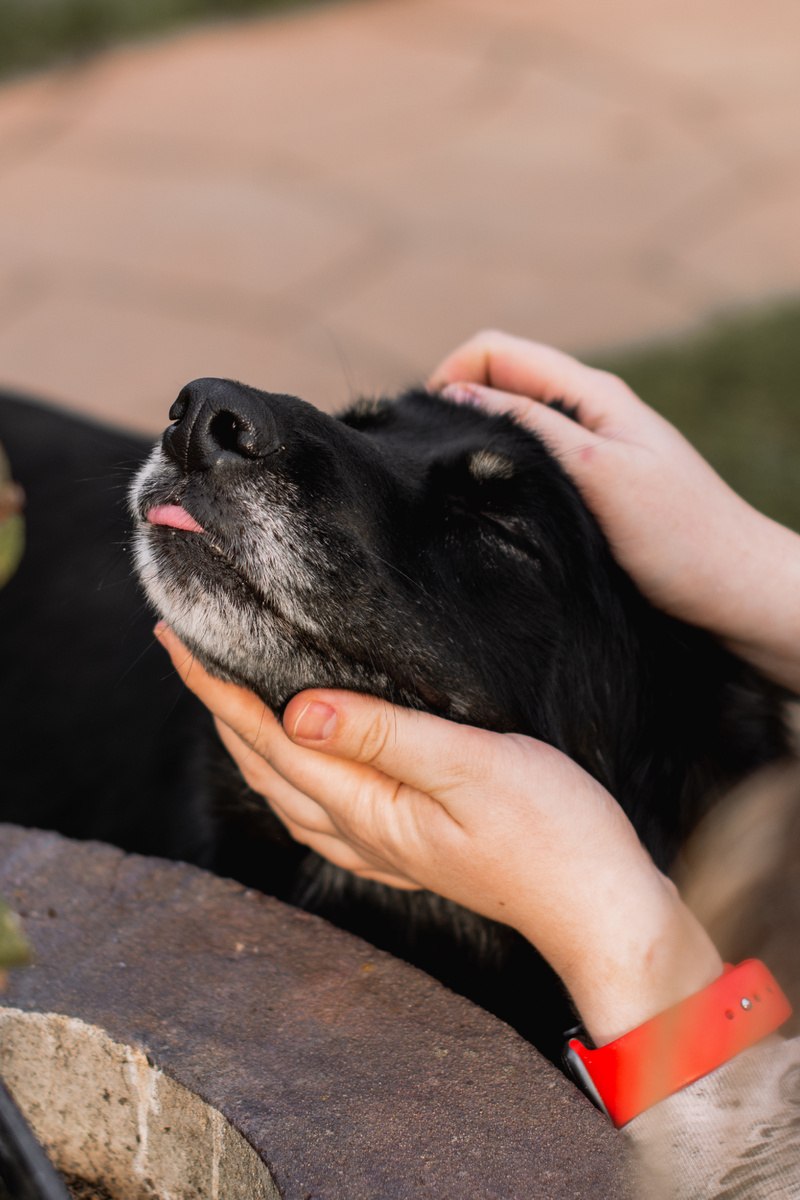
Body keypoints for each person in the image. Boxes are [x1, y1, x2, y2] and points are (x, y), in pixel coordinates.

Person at [155, 331, 800, 1196]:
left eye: (496, 529)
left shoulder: (718, 778)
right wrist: (764, 577)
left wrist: (604, 914)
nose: (215, 422)